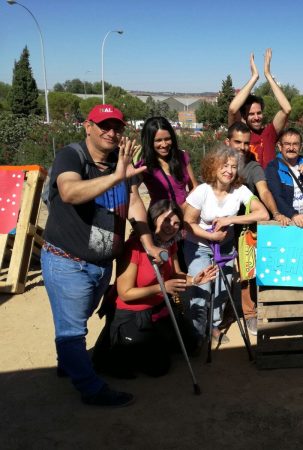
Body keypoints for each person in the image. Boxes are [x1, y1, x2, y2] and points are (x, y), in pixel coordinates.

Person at [42, 104, 162, 407]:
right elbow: (69, 192)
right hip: (67, 260)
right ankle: (91, 388)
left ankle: (68, 362)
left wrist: (149, 243)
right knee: (73, 328)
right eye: (104, 126)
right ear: (88, 126)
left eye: (117, 127)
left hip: (100, 263)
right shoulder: (72, 156)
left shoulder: (121, 163)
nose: (112, 132)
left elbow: (135, 204)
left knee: (78, 318)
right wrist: (116, 176)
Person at [94, 200, 217, 378]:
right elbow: (125, 293)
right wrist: (162, 287)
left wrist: (194, 280)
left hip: (159, 307)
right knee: (157, 367)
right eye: (166, 220)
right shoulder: (134, 247)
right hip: (132, 312)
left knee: (190, 344)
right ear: (153, 219)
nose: (172, 227)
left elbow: (175, 275)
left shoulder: (171, 244)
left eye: (176, 223)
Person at [183, 145, 269, 346]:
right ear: (213, 167)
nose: (229, 170)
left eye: (233, 166)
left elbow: (262, 213)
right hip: (199, 248)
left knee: (223, 290)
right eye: (224, 165)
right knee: (201, 287)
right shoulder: (202, 191)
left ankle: (213, 325)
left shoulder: (240, 190)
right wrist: (210, 236)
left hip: (226, 248)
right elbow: (188, 223)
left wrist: (229, 219)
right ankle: (196, 333)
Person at [225, 122, 289, 335]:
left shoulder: (253, 167)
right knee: (223, 272)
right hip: (221, 227)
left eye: (246, 143)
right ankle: (224, 313)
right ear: (228, 142)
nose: (242, 147)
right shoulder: (218, 164)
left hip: (245, 227)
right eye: (238, 142)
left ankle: (250, 313)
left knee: (248, 271)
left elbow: (264, 191)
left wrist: (276, 213)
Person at [228, 49, 292, 169]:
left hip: (270, 187)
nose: (256, 117)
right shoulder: (241, 135)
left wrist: (268, 74)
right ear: (244, 116)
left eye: (259, 113)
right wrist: (254, 77)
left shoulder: (269, 133)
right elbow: (232, 109)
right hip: (246, 186)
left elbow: (287, 109)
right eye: (251, 114)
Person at [134, 116, 198, 207]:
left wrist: (185, 207)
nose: (164, 144)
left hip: (186, 215)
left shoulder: (182, 157)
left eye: (167, 139)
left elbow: (194, 186)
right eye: (158, 140)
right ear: (149, 142)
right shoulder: (144, 166)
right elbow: (131, 195)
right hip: (162, 218)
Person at [265, 128, 303, 228]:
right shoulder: (273, 168)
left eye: (295, 144)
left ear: (301, 147)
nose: (291, 148)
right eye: (287, 144)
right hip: (287, 222)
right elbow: (276, 196)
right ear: (279, 146)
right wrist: (293, 215)